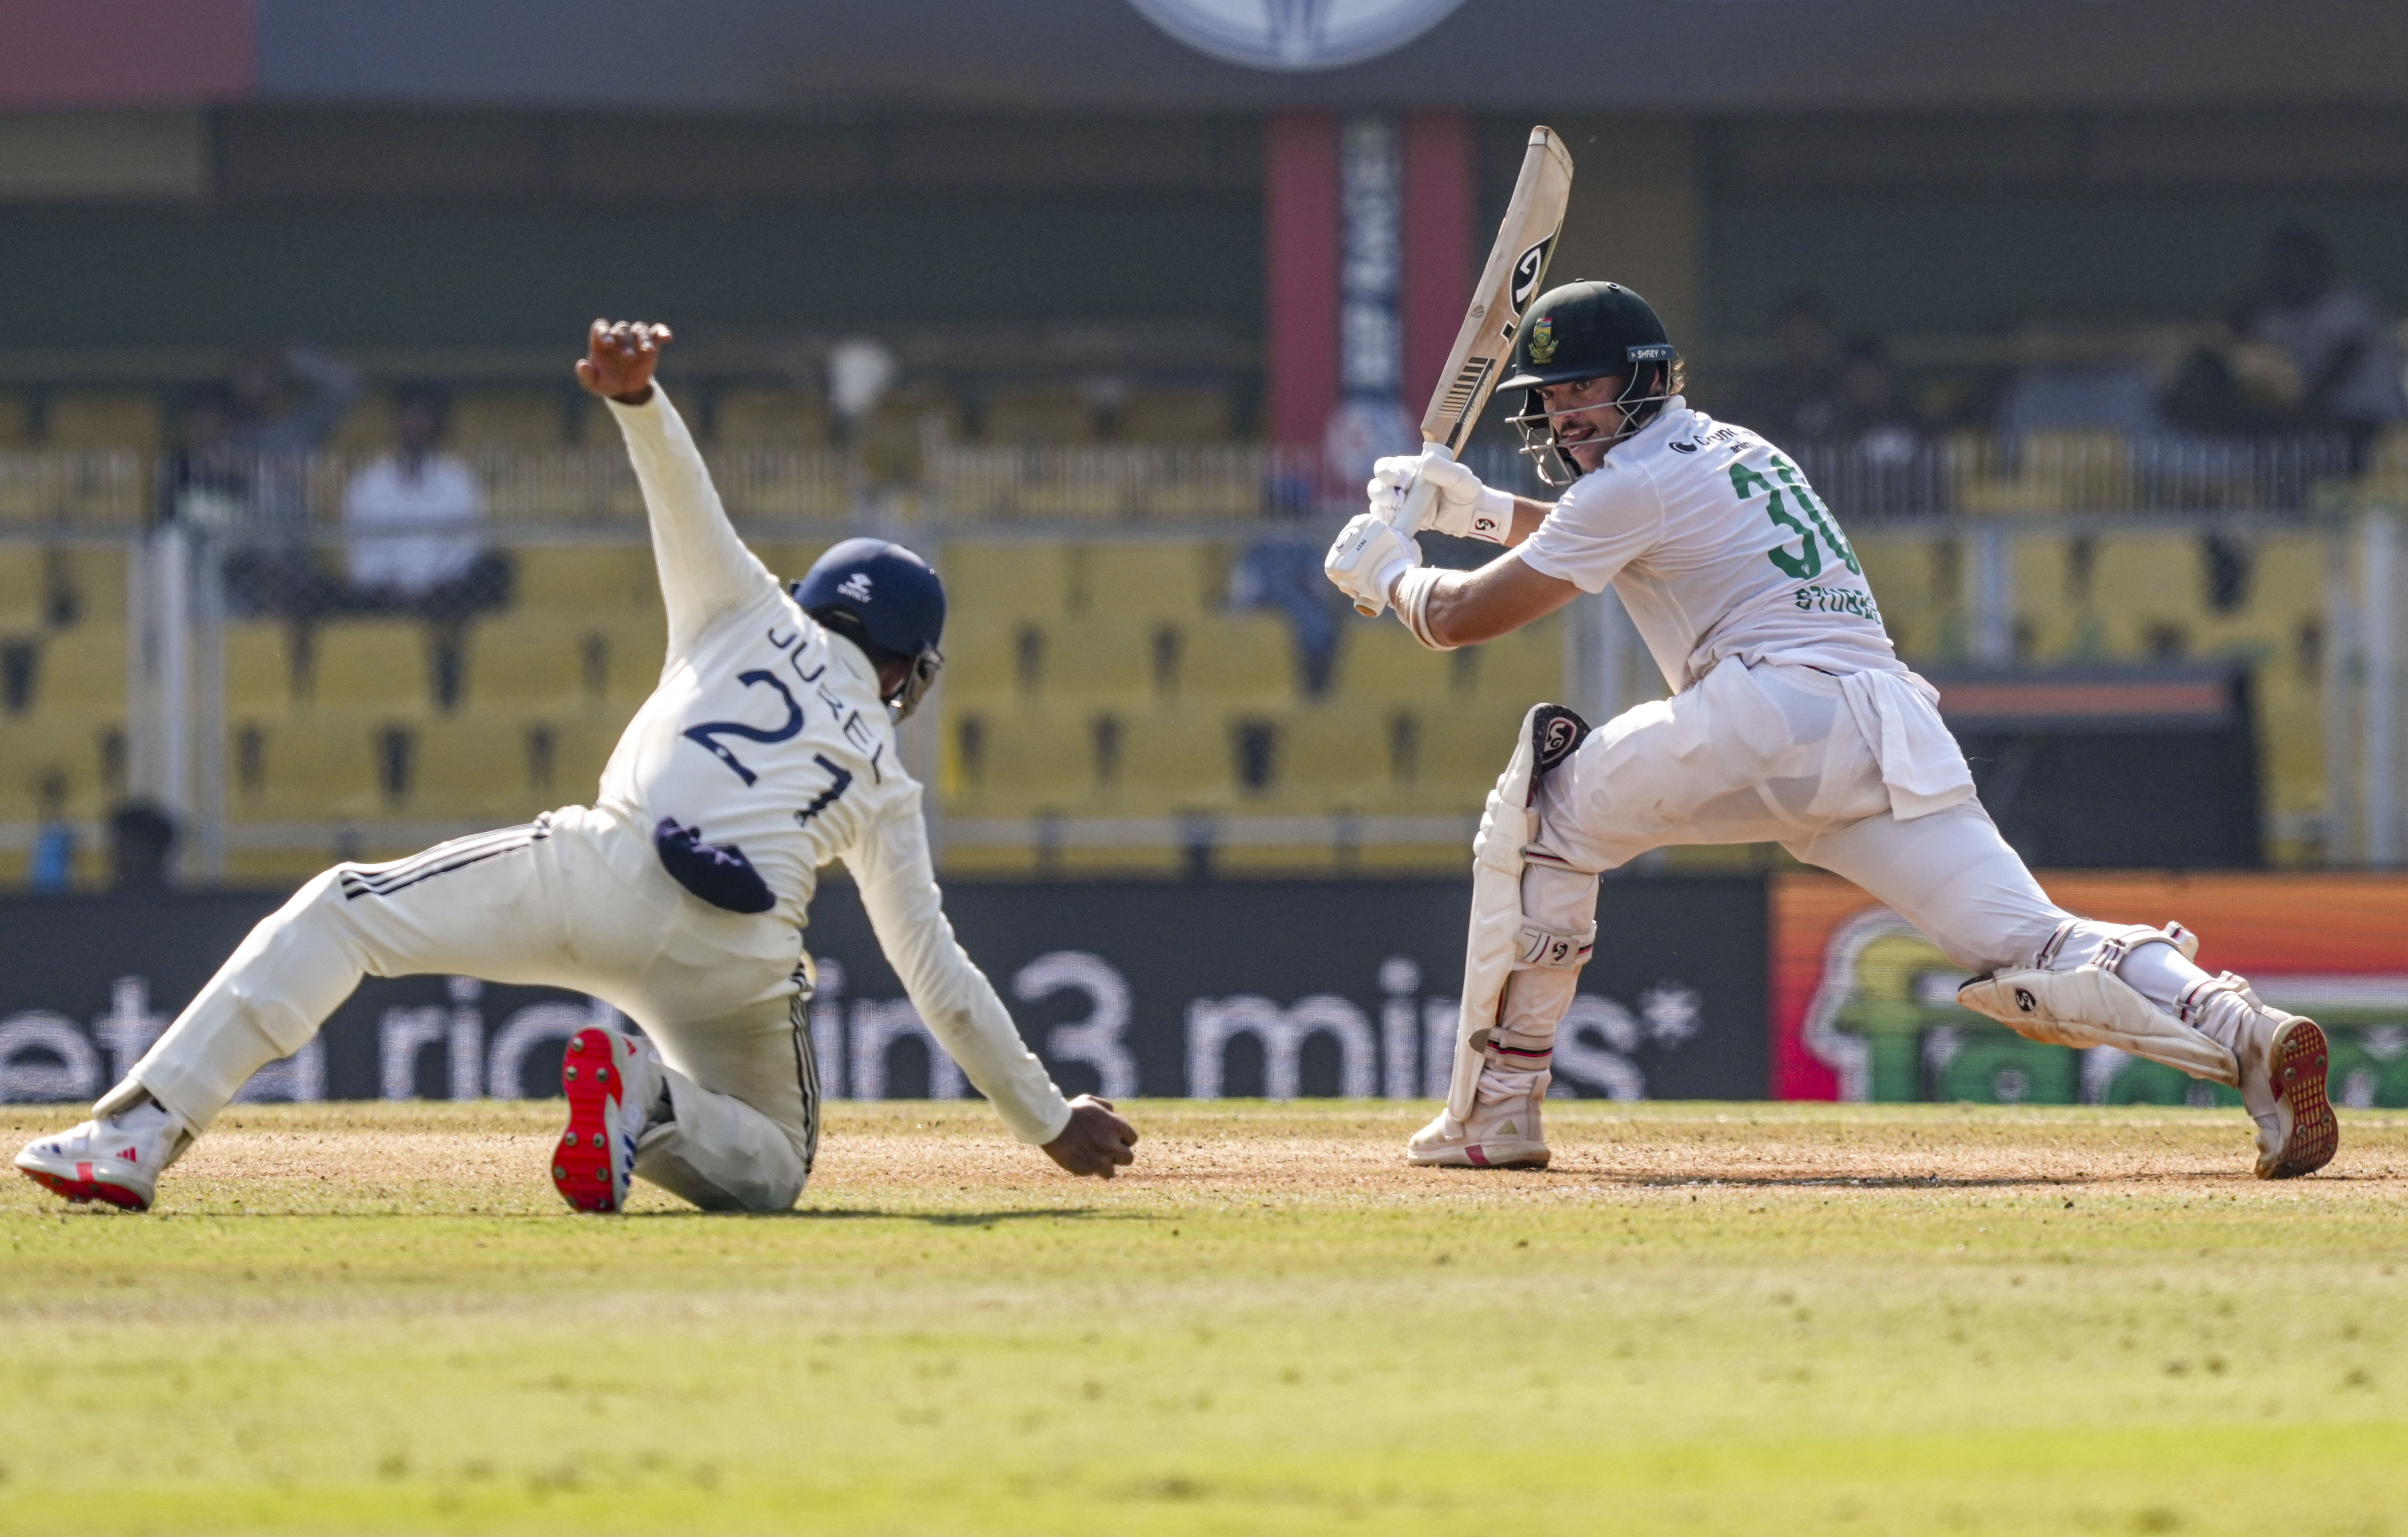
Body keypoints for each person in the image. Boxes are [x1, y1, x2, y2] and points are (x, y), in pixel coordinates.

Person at [18, 321, 1139, 1214]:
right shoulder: (885, 775)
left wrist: (637, 399)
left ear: (811, 601)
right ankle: (644, 1096)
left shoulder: (744, 605)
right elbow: (937, 977)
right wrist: (1047, 1119)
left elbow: (682, 497)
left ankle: (131, 1136)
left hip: (602, 868)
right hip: (736, 955)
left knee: (343, 908)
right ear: (905, 666)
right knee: (772, 1166)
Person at [1323, 280, 2335, 1181]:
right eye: (1549, 398)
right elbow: (1606, 535)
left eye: (1581, 390)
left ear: (1644, 380)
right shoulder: (1732, 448)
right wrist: (1473, 510)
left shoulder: (1629, 483)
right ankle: (2244, 1029)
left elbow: (1463, 617)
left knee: (1543, 814)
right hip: (1880, 727)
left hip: (1767, 710)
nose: (1563, 414)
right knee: (2033, 941)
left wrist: (1389, 574)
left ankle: (1496, 1112)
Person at [2230, 225, 2406, 463]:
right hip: (2314, 428)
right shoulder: (2273, 318)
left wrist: (2297, 414)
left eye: (2298, 264)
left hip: (2373, 427)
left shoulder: (2349, 306)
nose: (2290, 274)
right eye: (2282, 266)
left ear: (2319, 267)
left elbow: (2340, 367)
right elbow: (2234, 349)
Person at [340, 389, 511, 618]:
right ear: (395, 425)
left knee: (495, 569)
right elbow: (362, 549)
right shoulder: (368, 482)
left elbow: (466, 546)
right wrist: (396, 587)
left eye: (422, 418)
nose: (415, 427)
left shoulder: (458, 478)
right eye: (408, 418)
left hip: (444, 592)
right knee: (330, 590)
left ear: (436, 427)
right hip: (384, 593)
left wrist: (432, 586)